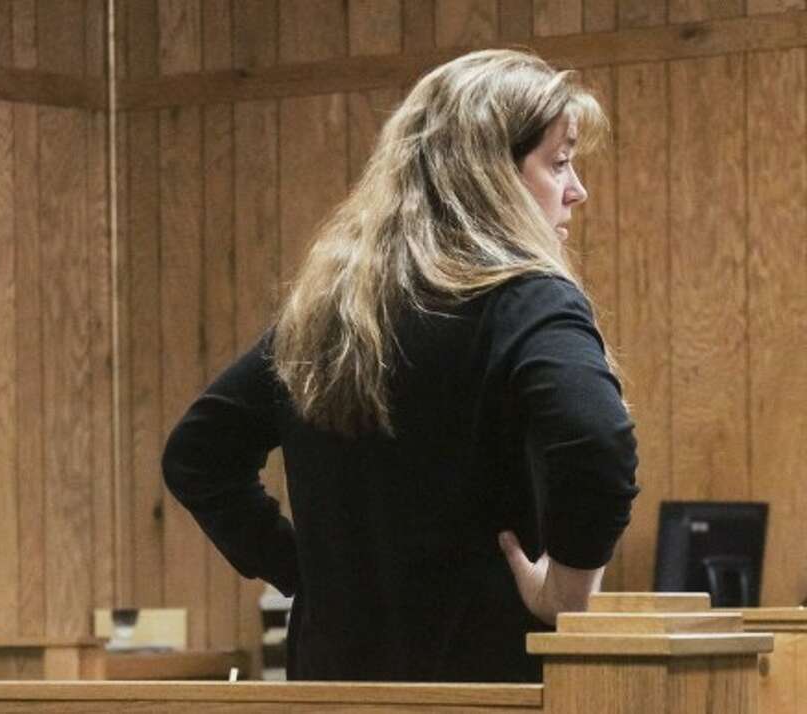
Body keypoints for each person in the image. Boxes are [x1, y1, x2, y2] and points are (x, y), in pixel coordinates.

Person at [162, 49, 639, 683]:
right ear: (490, 177)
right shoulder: (528, 300)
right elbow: (597, 439)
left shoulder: (332, 314)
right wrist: (569, 591)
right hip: (487, 688)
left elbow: (198, 455)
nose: (576, 189)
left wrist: (302, 572)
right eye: (558, 163)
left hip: (331, 690)